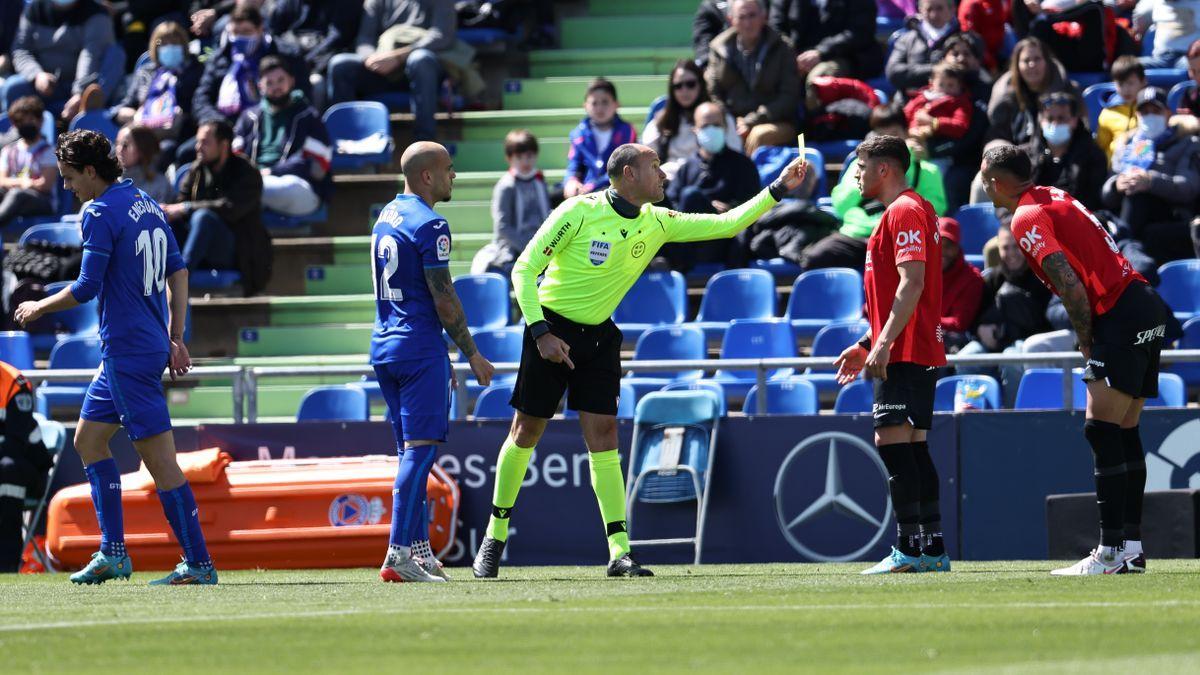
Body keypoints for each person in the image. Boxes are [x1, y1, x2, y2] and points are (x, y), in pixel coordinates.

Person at [470, 144, 809, 579]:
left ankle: (619, 552)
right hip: (550, 330)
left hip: (600, 337)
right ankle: (494, 539)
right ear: (628, 174)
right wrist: (541, 334)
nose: (663, 175)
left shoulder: (659, 220)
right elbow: (523, 269)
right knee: (526, 431)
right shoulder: (577, 212)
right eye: (654, 167)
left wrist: (779, 187)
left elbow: (729, 225)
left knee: (605, 437)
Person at [14, 129, 218, 585]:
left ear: (90, 171)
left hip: (127, 351)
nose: (67, 187)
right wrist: (176, 335)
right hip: (136, 349)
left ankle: (199, 563)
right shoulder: (144, 202)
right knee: (87, 441)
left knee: (161, 464)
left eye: (70, 178)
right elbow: (178, 270)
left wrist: (39, 306)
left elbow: (86, 287)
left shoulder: (100, 211)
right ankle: (112, 552)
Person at [981, 144, 1170, 575]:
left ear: (996, 181)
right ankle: (1131, 549)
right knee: (1122, 432)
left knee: (1100, 431)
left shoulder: (1027, 215)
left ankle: (1109, 552)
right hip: (1143, 303)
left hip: (1119, 313)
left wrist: (1086, 339)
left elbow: (1069, 285)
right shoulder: (1055, 194)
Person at [373, 141, 495, 583]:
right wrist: (473, 353)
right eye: (448, 168)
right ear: (427, 176)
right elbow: (445, 300)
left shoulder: (386, 215)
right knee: (419, 455)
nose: (454, 176)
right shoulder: (430, 223)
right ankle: (398, 554)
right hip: (419, 348)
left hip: (384, 346)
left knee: (409, 453)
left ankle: (420, 550)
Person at [832, 134, 948, 575]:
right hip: (911, 345)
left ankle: (908, 549)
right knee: (913, 445)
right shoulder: (906, 211)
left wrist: (881, 345)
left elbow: (912, 284)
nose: (855, 176)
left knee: (893, 442)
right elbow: (898, 295)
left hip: (906, 349)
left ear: (884, 170)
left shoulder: (903, 211)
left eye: (860, 168)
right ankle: (930, 548)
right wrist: (867, 343)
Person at [809, 108, 947, 272]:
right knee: (814, 258)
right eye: (882, 135)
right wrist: (866, 176)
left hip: (899, 239)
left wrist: (905, 171)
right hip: (857, 237)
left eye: (895, 134)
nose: (889, 142)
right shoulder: (858, 166)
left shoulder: (926, 170)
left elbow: (936, 211)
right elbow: (841, 206)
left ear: (906, 133)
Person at [165, 119, 272, 295]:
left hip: (235, 252)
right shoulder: (197, 169)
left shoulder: (246, 172)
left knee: (203, 218)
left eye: (205, 142)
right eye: (197, 141)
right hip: (198, 245)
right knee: (167, 221)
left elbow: (230, 207)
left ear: (224, 145)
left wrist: (186, 207)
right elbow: (180, 203)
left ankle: (178, 283)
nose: (198, 147)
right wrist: (169, 211)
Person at [326, 0, 455, 142]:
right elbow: (365, 39)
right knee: (340, 64)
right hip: (382, 70)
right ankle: (343, 141)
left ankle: (424, 141)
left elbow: (441, 36)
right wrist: (372, 59)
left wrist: (398, 57)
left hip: (424, 72)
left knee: (420, 59)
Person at [957, 222, 1054, 406]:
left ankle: (1012, 418)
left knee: (1011, 359)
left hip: (1027, 343)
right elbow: (972, 318)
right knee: (966, 357)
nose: (1011, 254)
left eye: (1016, 247)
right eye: (1005, 248)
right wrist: (980, 330)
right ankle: (974, 415)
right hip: (994, 344)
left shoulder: (1042, 277)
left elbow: (1047, 322)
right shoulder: (992, 278)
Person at [1103, 86, 1200, 267]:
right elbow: (1106, 194)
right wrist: (1117, 184)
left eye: (1156, 111)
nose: (1149, 116)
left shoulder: (1188, 143)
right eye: (1144, 111)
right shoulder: (1128, 145)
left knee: (1138, 197)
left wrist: (1150, 181)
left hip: (1171, 214)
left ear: (1168, 114)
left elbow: (1189, 188)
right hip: (1133, 213)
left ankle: (1121, 257)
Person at [662, 101, 762, 271]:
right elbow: (671, 207)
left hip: (722, 240)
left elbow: (755, 206)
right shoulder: (686, 168)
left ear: (725, 127)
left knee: (691, 194)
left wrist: (730, 209)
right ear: (695, 129)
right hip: (690, 240)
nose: (712, 130)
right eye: (706, 125)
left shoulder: (743, 165)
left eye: (716, 125)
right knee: (686, 197)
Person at [233, 55, 331, 217]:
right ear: (260, 86)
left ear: (291, 81)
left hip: (298, 188)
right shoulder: (248, 118)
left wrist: (271, 172)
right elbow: (235, 157)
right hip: (253, 182)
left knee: (277, 186)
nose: (276, 87)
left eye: (281, 80)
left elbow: (315, 167)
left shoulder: (309, 117)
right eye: (269, 83)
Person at [705, 0, 800, 155]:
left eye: (752, 15)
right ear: (731, 20)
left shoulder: (783, 48)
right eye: (742, 17)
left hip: (776, 122)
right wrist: (728, 121)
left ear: (764, 16)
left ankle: (748, 178)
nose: (748, 23)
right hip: (731, 122)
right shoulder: (719, 49)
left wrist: (753, 120)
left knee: (758, 135)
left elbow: (789, 97)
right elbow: (713, 92)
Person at [192, 6, 308, 127]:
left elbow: (300, 93)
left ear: (260, 29)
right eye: (235, 32)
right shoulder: (221, 58)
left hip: (272, 123)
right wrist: (218, 123)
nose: (240, 38)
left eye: (246, 31)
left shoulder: (285, 55)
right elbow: (201, 98)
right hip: (225, 127)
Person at [4, 0, 122, 119]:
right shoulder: (34, 9)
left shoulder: (97, 12)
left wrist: (79, 93)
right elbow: (20, 50)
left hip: (81, 85)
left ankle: (88, 113)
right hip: (44, 86)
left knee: (116, 54)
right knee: (13, 87)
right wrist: (37, 75)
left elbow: (90, 54)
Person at [113, 21, 204, 173]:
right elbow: (124, 107)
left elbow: (196, 106)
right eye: (163, 43)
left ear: (184, 45)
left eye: (174, 43)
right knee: (121, 149)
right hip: (142, 132)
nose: (169, 47)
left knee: (162, 151)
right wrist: (139, 118)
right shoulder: (146, 73)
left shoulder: (195, 71)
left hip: (175, 133)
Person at [643, 59, 742, 182]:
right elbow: (645, 158)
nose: (684, 91)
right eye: (678, 86)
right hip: (668, 182)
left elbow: (735, 153)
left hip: (713, 179)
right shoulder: (661, 121)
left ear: (701, 84)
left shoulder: (721, 117)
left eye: (690, 84)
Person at [473, 129, 551, 276]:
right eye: (519, 157)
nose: (525, 161)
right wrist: (529, 248)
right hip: (513, 248)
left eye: (529, 156)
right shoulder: (506, 185)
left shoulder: (539, 181)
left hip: (542, 245)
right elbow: (503, 227)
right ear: (509, 159)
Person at [0, 360, 51, 573]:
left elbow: (13, 445)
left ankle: (7, 564)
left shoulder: (13, 382)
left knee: (7, 470)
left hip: (27, 468)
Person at [986, 38, 1079, 148]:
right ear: (1017, 66)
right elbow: (996, 135)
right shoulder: (1005, 98)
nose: (1032, 64)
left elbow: (1082, 130)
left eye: (1037, 59)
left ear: (1047, 61)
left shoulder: (1069, 91)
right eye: (1026, 60)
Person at [1023, 92, 1107, 210]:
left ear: (1074, 121)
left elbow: (1093, 201)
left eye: (1061, 118)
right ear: (1040, 120)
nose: (1055, 124)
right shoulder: (1024, 157)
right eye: (1050, 118)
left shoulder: (1093, 156)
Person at [268, 0, 360, 106]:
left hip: (319, 64)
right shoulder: (288, 3)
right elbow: (273, 32)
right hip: (288, 62)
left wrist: (306, 60)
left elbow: (338, 37)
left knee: (317, 84)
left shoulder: (345, 3)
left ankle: (310, 121)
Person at [770, 0, 884, 82]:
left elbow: (860, 32)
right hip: (796, 54)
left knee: (818, 80)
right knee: (770, 73)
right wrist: (792, 55)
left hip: (843, 56)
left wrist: (820, 52)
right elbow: (776, 26)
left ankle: (818, 115)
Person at [561, 78, 637, 200]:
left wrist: (593, 186)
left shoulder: (627, 131)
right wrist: (571, 181)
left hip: (615, 188)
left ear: (616, 104)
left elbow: (622, 168)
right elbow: (574, 164)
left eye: (605, 102)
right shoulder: (578, 134)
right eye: (594, 103)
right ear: (585, 106)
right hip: (585, 190)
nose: (600, 108)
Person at [887, 0, 980, 98]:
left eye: (940, 8)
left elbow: (973, 74)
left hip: (956, 104)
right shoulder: (907, 39)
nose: (934, 14)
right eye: (929, 9)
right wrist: (939, 67)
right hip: (911, 103)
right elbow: (894, 73)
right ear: (920, 10)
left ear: (952, 9)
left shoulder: (967, 39)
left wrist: (916, 73)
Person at [0, 96, 57, 228]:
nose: (26, 124)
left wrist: (19, 185)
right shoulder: (9, 150)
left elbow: (45, 185)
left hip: (42, 201)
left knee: (17, 194)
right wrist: (23, 183)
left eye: (31, 120)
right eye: (20, 121)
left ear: (40, 121)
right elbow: (2, 180)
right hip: (12, 198)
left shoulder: (48, 150)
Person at [905, 64, 974, 161]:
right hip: (913, 139)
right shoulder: (921, 97)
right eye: (941, 85)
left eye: (951, 85)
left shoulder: (960, 103)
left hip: (939, 149)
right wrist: (912, 128)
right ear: (931, 83)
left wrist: (934, 122)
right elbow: (907, 114)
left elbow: (960, 126)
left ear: (960, 86)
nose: (945, 89)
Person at [938, 216, 985, 352]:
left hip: (954, 342)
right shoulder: (919, 272)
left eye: (948, 246)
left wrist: (920, 319)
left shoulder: (972, 278)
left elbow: (959, 324)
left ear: (957, 247)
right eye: (937, 245)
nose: (941, 252)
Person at [1096, 56, 1146, 163]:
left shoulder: (1152, 109)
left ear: (1143, 82)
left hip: (1143, 166)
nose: (1125, 89)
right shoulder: (1107, 114)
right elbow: (1100, 147)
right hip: (1114, 170)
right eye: (1120, 84)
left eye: (1130, 83)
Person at [115, 125, 174, 205]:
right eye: (117, 143)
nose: (119, 149)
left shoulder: (160, 185)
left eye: (125, 145)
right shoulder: (108, 182)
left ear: (142, 149)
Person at [1133, 0, 1200, 70]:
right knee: (1127, 67)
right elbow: (1138, 29)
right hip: (1160, 59)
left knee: (1196, 67)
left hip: (1187, 57)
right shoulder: (1152, 4)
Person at [958, 0, 1007, 71]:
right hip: (981, 58)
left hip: (998, 52)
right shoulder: (971, 4)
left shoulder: (996, 2)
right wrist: (991, 63)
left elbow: (1001, 26)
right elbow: (972, 39)